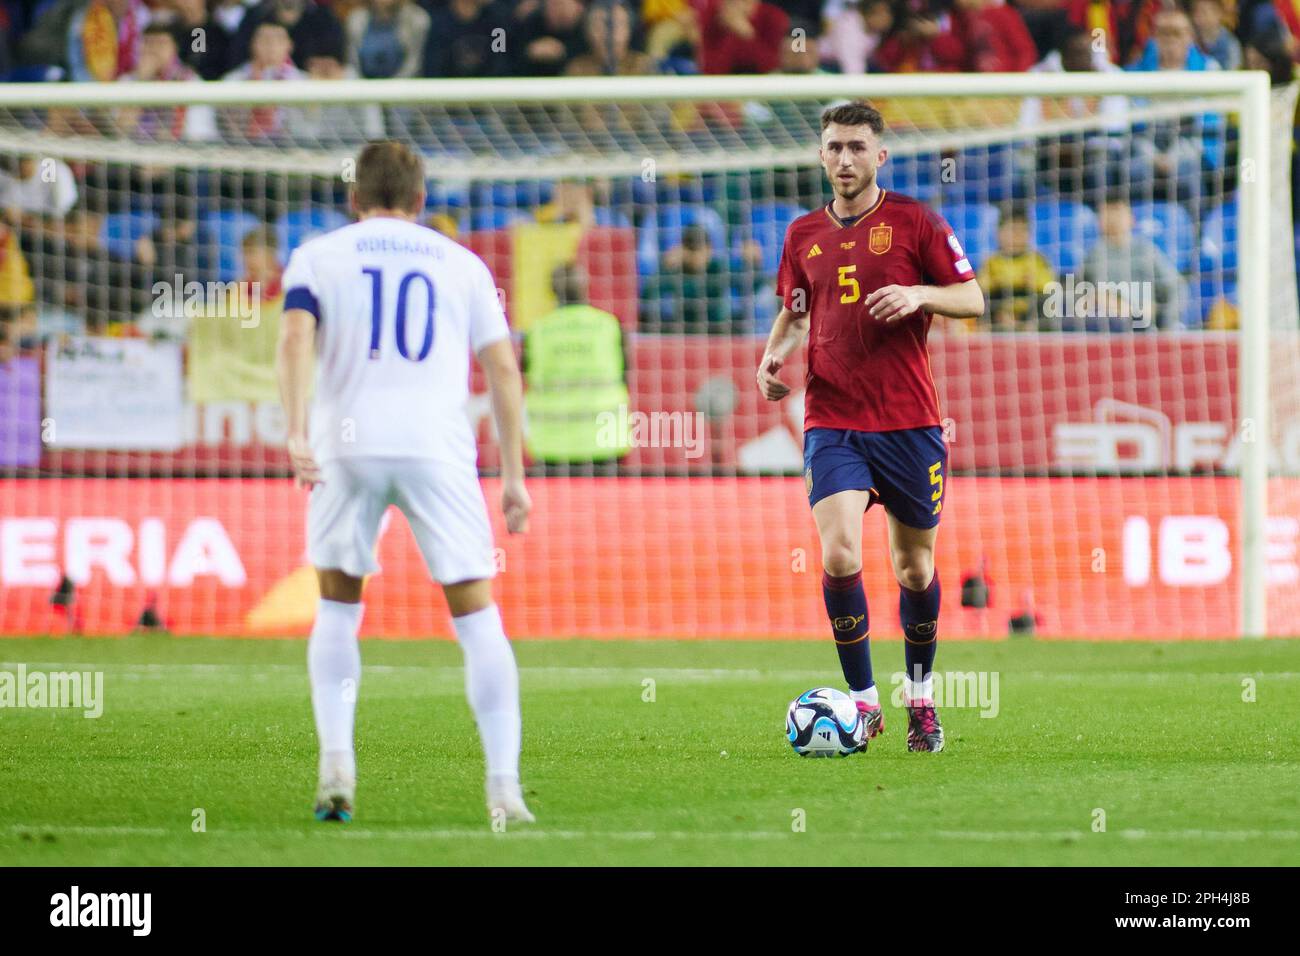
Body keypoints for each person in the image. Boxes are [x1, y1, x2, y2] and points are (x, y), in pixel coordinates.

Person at [275, 141, 534, 825]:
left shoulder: (318, 255)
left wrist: (297, 431)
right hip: (435, 450)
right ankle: (503, 788)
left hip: (344, 449)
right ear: (422, 201)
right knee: (477, 617)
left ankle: (336, 767)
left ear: (353, 198)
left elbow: (295, 340)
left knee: (336, 608)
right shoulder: (462, 264)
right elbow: (504, 372)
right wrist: (512, 476)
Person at [758, 101, 983, 753]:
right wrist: (770, 361)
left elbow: (973, 298)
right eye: (834, 147)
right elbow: (796, 314)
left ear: (880, 155)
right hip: (833, 419)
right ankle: (861, 707)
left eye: (858, 146)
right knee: (839, 552)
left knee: (914, 570)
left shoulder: (916, 223)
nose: (845, 158)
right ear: (821, 156)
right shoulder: (802, 235)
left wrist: (921, 295)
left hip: (909, 422)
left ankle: (920, 698)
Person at [976, 207, 1056, 332]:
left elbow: (1049, 285)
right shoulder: (991, 262)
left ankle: (1030, 328)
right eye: (1012, 230)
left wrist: (1030, 282)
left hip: (1029, 316)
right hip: (999, 316)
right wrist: (1002, 282)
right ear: (999, 233)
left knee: (1048, 301)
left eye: (1022, 230)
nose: (1017, 235)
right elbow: (982, 287)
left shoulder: (1037, 260)